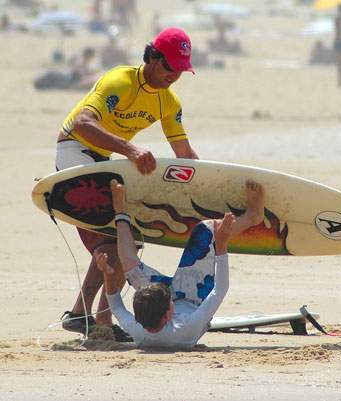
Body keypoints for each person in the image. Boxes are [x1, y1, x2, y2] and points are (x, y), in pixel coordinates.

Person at [57, 27, 199, 341]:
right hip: (75, 150)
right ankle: (88, 316)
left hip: (104, 161)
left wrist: (210, 187)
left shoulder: (168, 102)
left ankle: (97, 319)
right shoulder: (120, 81)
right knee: (118, 240)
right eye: (170, 66)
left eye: (181, 69)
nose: (175, 74)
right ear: (152, 57)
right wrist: (131, 149)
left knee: (127, 241)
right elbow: (83, 123)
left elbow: (185, 155)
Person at [95, 179, 265, 349]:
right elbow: (220, 289)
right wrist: (220, 243)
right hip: (195, 297)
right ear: (169, 314)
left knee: (129, 266)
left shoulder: (140, 331)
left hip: (156, 303)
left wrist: (108, 274)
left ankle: (121, 212)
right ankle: (252, 217)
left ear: (138, 319)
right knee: (205, 230)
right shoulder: (186, 328)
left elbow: (116, 306)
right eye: (170, 301)